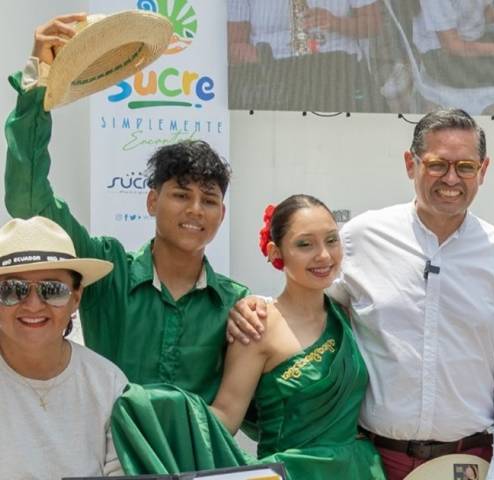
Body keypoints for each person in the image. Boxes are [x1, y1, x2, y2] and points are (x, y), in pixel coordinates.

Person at [230, 109, 494, 480]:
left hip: (468, 462)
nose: (452, 179)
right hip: (372, 464)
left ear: (483, 170)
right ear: (411, 164)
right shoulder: (363, 238)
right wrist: (259, 308)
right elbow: (312, 301)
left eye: (466, 167)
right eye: (438, 164)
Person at [4, 14, 250, 404]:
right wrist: (38, 85)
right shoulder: (106, 270)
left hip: (197, 464)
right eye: (181, 194)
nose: (195, 209)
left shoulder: (236, 304)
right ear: (152, 200)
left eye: (209, 199)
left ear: (222, 213)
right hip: (104, 459)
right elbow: (28, 201)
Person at [110, 195, 386, 479]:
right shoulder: (257, 326)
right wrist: (155, 407)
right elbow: (226, 418)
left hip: (357, 470)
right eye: (305, 244)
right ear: (275, 253)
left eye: (331, 240)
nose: (324, 256)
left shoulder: (345, 313)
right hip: (292, 474)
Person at [0, 216, 128, 478]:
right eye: (13, 289)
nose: (33, 305)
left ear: (76, 298)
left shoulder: (108, 384)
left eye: (53, 289)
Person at [227, 0, 384, 112]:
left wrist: (335, 22)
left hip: (335, 69)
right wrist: (259, 60)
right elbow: (235, 45)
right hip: (273, 73)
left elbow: (375, 24)